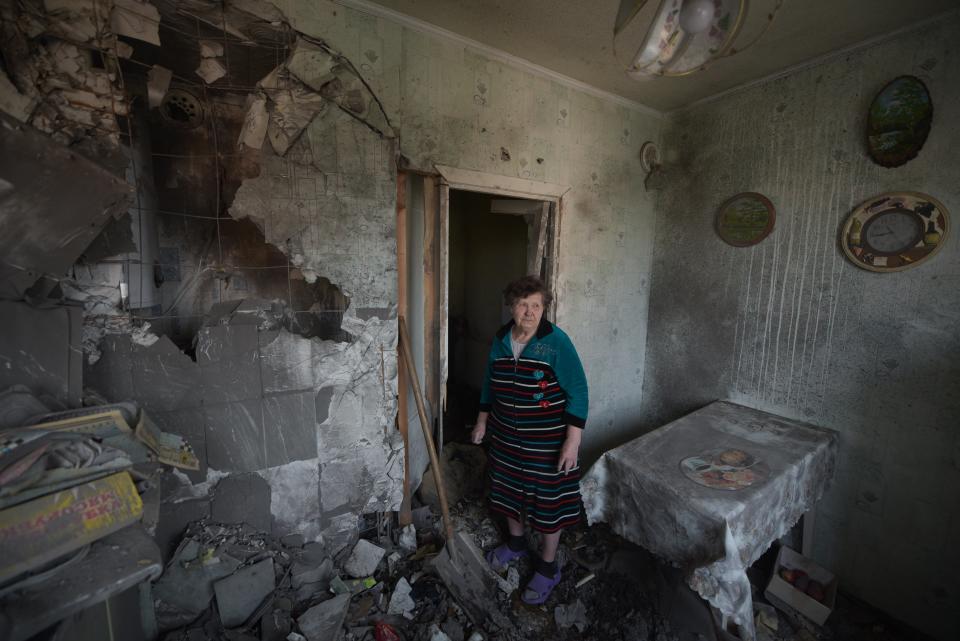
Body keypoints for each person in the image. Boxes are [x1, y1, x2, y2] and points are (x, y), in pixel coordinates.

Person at [470, 275, 588, 605]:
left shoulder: (556, 342)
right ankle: (517, 543)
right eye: (523, 305)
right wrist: (482, 420)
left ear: (544, 308)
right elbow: (490, 383)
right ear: (511, 306)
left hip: (547, 441)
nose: (530, 312)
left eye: (536, 305)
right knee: (507, 491)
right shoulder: (500, 339)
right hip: (507, 436)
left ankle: (548, 567)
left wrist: (572, 440)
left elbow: (577, 389)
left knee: (549, 504)